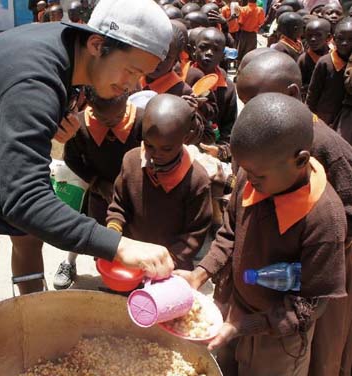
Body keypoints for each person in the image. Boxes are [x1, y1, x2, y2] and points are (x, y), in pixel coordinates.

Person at [0, 0, 175, 335]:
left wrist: (47, 126)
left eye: (141, 75)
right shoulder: (34, 82)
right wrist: (121, 247)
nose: (131, 86)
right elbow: (25, 200)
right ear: (98, 44)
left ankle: (34, 325)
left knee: (28, 238)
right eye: (130, 71)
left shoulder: (74, 50)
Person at [176, 92, 347, 375]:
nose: (248, 180)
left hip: (280, 339)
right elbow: (230, 233)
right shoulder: (253, 173)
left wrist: (246, 325)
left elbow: (309, 304)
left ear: (300, 160)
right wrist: (200, 273)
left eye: (258, 176)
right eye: (244, 171)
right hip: (234, 309)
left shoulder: (324, 220)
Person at [236, 52, 352, 376]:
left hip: (322, 264)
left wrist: (309, 251)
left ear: (291, 95)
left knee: (322, 345)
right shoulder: (260, 147)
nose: (252, 114)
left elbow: (344, 214)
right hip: (273, 268)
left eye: (258, 101)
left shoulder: (332, 150)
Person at [107, 94, 213, 270]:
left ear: (186, 138)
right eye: (149, 145)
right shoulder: (131, 161)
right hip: (134, 257)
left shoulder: (197, 180)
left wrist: (169, 260)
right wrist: (114, 232)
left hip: (170, 265)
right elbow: (119, 205)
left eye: (167, 148)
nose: (156, 154)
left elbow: (195, 232)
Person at [53, 90, 143, 289]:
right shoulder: (81, 127)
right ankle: (69, 263)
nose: (111, 122)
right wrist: (96, 182)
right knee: (94, 231)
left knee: (132, 234)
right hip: (100, 192)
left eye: (118, 116)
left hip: (133, 192)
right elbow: (71, 158)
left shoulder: (141, 120)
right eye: (103, 117)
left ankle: (128, 279)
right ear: (90, 107)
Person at [186, 28, 238, 161]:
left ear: (222, 56)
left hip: (210, 153)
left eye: (216, 50)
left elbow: (229, 129)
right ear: (193, 50)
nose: (209, 53)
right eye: (203, 47)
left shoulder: (227, 89)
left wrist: (220, 151)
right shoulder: (181, 78)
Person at [307, 18, 352, 125]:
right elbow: (313, 92)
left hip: (345, 118)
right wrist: (309, 113)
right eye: (341, 39)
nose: (345, 43)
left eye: (351, 39)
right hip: (324, 116)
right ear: (333, 39)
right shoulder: (325, 62)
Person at [141, 24, 193, 96]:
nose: (158, 60)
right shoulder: (135, 77)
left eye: (166, 58)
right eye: (154, 52)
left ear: (175, 61)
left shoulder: (181, 92)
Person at [297, 18, 331, 99]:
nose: (313, 39)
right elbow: (299, 84)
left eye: (318, 35)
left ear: (328, 37)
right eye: (309, 35)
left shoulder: (334, 55)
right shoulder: (303, 60)